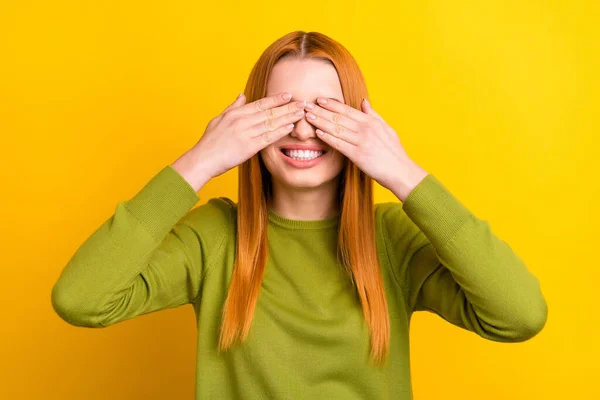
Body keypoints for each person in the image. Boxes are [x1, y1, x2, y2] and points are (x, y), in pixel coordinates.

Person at [51, 30, 548, 399]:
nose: (304, 131)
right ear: (250, 121)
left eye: (326, 111)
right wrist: (199, 160)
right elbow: (81, 299)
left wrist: (403, 172)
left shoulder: (391, 238)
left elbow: (519, 315)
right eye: (283, 110)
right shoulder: (215, 236)